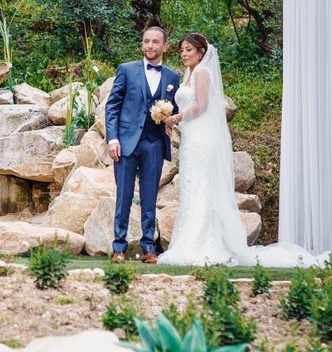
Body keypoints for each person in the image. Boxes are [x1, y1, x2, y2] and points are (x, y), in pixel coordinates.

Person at [158, 33, 330, 267]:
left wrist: (175, 118)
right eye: (182, 50)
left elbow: (201, 106)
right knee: (191, 187)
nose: (184, 53)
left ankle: (204, 244)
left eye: (189, 49)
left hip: (202, 139)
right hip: (191, 138)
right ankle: (190, 241)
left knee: (202, 187)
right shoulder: (189, 74)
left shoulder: (201, 73)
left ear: (201, 52)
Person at [105, 26, 180, 264]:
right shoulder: (126, 70)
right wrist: (112, 138)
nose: (150, 46)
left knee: (149, 197)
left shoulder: (172, 77)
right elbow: (112, 106)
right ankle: (119, 247)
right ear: (142, 44)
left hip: (154, 142)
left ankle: (149, 247)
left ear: (164, 47)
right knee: (124, 196)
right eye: (146, 41)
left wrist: (169, 118)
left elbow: (174, 109)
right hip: (126, 141)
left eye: (155, 42)